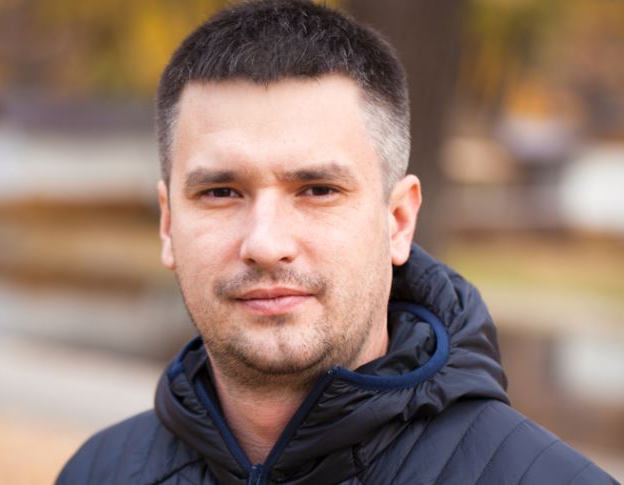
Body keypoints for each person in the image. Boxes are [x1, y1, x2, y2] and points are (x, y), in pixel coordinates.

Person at [57, 1, 617, 484]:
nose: (265, 243)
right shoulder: (97, 472)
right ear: (168, 225)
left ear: (398, 221)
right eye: (221, 192)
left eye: (318, 190)